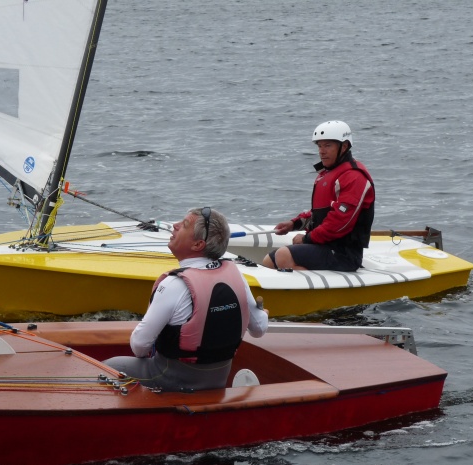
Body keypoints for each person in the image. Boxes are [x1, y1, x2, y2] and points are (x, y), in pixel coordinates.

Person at [104, 207, 268, 392]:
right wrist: (262, 313)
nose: (175, 225)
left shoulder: (175, 284)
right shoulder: (237, 277)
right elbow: (259, 329)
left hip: (172, 379)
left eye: (184, 225)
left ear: (198, 244)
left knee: (106, 367)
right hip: (217, 380)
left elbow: (139, 345)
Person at [261, 120, 375, 272]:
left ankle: (319, 286)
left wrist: (306, 238)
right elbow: (320, 214)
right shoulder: (329, 174)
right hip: (323, 246)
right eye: (319, 146)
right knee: (269, 261)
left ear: (344, 146)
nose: (321, 151)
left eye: (327, 145)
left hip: (344, 254)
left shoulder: (354, 177)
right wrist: (294, 224)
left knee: (283, 256)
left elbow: (339, 222)